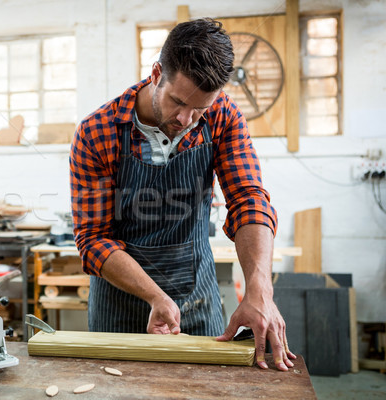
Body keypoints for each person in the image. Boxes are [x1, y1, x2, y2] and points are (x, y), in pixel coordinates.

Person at [70, 18, 295, 371]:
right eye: (177, 102)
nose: (186, 118)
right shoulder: (97, 132)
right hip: (120, 304)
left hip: (197, 298)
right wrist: (155, 296)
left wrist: (260, 289)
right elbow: (93, 239)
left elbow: (248, 199)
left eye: (200, 109)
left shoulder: (223, 116)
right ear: (157, 73)